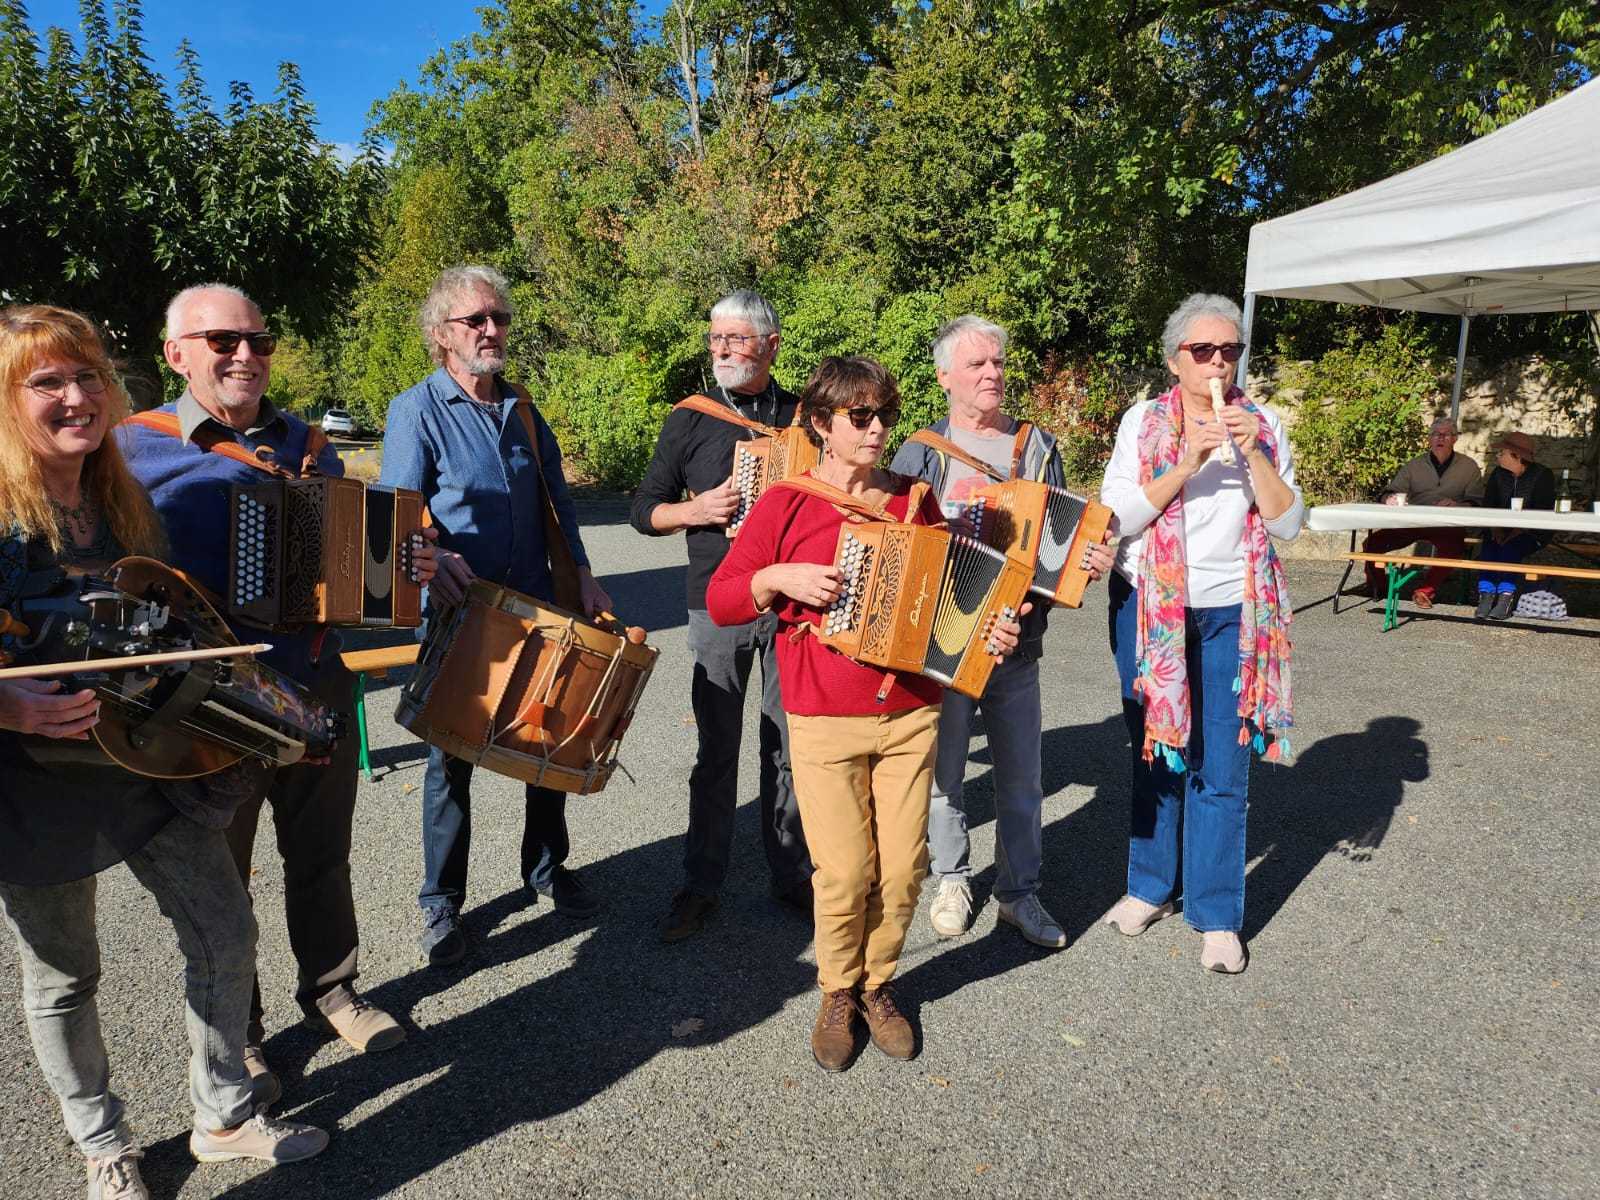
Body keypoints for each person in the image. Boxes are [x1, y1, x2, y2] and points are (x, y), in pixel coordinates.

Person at [0, 304, 327, 1200]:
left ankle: (222, 1114)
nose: (77, 398)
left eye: (89, 378)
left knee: (224, 928)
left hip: (144, 761)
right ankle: (101, 1141)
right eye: (48, 383)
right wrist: (6, 704)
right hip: (32, 783)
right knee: (64, 974)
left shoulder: (119, 497)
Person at [121, 284, 430, 1103]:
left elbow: (349, 560)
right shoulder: (129, 451)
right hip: (205, 702)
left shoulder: (309, 444)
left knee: (322, 853)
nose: (244, 355)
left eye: (258, 339)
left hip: (314, 681)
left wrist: (404, 567)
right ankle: (243, 1033)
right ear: (175, 352)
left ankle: (333, 992)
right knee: (225, 878)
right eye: (221, 340)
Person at [707, 356, 1026, 1072]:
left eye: (884, 412)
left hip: (912, 710)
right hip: (822, 713)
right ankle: (835, 990)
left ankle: (879, 983)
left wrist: (990, 632)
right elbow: (727, 598)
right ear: (821, 424)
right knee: (846, 872)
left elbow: (954, 601)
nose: (879, 427)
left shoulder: (916, 500)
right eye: (861, 416)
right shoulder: (786, 503)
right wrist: (773, 577)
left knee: (905, 869)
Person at [381, 264, 613, 967]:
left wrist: (585, 577)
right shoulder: (416, 409)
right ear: (440, 336)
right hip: (461, 611)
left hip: (538, 606)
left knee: (546, 745)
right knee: (449, 759)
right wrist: (432, 553)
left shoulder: (520, 406)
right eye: (475, 320)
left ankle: (546, 871)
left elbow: (558, 504)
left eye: (499, 318)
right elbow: (396, 508)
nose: (491, 330)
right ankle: (441, 904)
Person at [890, 315, 1112, 948]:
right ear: (945, 378)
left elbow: (1062, 539)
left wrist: (1087, 563)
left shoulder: (1037, 447)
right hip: (944, 644)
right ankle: (953, 878)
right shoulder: (920, 451)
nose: (991, 374)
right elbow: (902, 544)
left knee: (1021, 777)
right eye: (976, 365)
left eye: (997, 363)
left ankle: (1019, 893)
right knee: (945, 773)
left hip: (1018, 639)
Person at [1099, 293, 1304, 975]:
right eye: (1203, 350)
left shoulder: (1264, 421)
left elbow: (1287, 523)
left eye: (1230, 350)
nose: (1218, 361)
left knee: (1222, 763)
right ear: (1174, 359)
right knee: (1158, 750)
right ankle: (1148, 886)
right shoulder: (1144, 422)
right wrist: (1186, 461)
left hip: (1233, 611)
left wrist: (1255, 458)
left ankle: (1216, 912)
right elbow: (1116, 517)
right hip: (1153, 605)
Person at [629, 289, 812, 942]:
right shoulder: (691, 417)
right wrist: (693, 511)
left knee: (787, 748)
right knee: (715, 753)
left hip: (792, 605)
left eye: (737, 339)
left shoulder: (806, 417)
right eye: (716, 340)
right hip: (717, 603)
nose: (724, 351)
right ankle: (701, 884)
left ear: (771, 345)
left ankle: (792, 875)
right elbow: (643, 507)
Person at [1359, 417, 1480, 607]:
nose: (1440, 438)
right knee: (1372, 542)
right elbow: (1390, 490)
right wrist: (1389, 499)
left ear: (1455, 439)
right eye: (1435, 434)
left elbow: (1476, 501)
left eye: (1445, 434)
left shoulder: (1469, 467)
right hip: (1414, 523)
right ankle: (1379, 587)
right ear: (1429, 439)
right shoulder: (1415, 465)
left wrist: (1457, 505)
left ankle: (1425, 591)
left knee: (1454, 548)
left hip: (1446, 524)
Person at [1472, 430, 1556, 621]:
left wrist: (1517, 531)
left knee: (1510, 548)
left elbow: (1542, 512)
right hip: (1499, 528)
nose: (1498, 456)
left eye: (1503, 453)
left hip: (1533, 532)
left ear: (1517, 456)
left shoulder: (1543, 475)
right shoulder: (1498, 474)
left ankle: (1505, 598)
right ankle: (1486, 595)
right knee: (1489, 546)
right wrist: (1495, 529)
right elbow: (1489, 505)